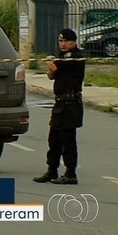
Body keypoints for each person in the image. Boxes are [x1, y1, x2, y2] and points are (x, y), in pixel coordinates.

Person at [33, 28, 85, 185]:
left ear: (74, 41)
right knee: (53, 139)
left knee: (67, 140)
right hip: (60, 102)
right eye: (60, 41)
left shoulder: (75, 57)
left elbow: (57, 67)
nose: (62, 44)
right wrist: (52, 68)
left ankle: (70, 173)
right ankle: (52, 170)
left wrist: (53, 66)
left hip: (71, 103)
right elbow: (51, 75)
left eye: (65, 41)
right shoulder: (62, 57)